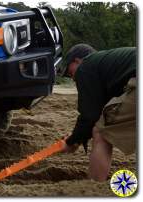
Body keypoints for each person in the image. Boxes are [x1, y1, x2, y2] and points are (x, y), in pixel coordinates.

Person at [59, 44, 137, 181]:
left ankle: (94, 187)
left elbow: (90, 116)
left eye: (69, 72)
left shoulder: (85, 67)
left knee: (101, 133)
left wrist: (71, 141)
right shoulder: (108, 66)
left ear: (77, 61)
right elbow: (102, 112)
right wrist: (79, 137)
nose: (71, 77)